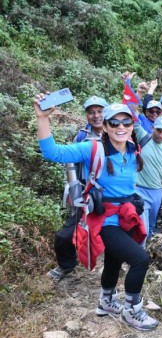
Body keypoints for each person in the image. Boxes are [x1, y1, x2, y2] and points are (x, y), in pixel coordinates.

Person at [35, 98, 158, 331]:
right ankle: (132, 311)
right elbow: (52, 152)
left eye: (126, 122)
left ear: (133, 124)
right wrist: (43, 118)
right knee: (140, 259)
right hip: (104, 220)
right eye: (114, 123)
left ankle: (106, 302)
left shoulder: (133, 149)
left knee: (114, 259)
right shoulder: (92, 148)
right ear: (106, 126)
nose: (120, 127)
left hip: (124, 217)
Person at [47, 96, 109, 282]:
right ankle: (67, 266)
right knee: (65, 235)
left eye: (100, 111)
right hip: (87, 192)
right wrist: (73, 191)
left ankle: (114, 264)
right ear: (87, 115)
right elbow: (70, 164)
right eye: (92, 112)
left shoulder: (117, 131)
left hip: (112, 193)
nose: (96, 116)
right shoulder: (82, 136)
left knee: (113, 232)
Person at [135, 116, 162, 239]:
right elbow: (133, 120)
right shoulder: (143, 137)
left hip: (157, 192)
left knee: (151, 225)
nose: (160, 135)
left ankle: (146, 252)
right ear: (152, 128)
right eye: (158, 130)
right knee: (142, 226)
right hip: (139, 190)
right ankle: (139, 254)